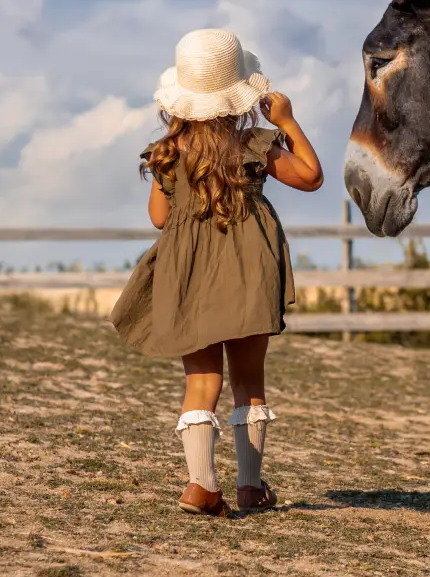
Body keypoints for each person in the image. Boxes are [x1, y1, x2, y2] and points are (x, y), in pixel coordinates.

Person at [109, 28, 324, 518]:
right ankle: (250, 487)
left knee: (201, 381)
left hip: (189, 275)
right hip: (249, 269)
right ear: (239, 95)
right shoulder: (254, 144)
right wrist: (287, 120)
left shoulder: (168, 153)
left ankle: (201, 485)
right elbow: (311, 176)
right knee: (249, 379)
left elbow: (160, 220)